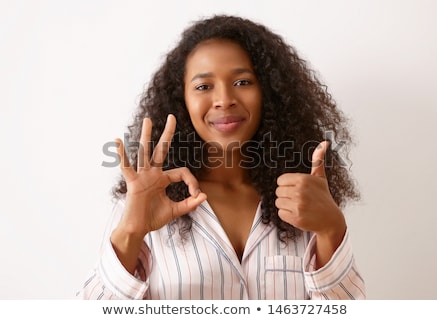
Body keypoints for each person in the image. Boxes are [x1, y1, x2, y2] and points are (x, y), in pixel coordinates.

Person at [79, 14, 365, 300]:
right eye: (204, 86)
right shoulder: (145, 202)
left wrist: (332, 228)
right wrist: (130, 230)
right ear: (182, 101)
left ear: (269, 93)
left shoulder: (306, 197)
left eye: (242, 82)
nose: (224, 99)